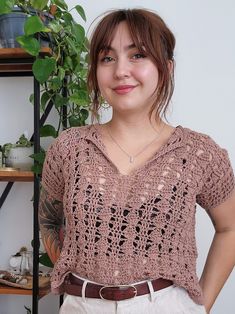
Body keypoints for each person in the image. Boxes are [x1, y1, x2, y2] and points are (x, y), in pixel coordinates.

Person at [39, 8, 235, 314]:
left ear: (166, 67)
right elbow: (49, 220)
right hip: (82, 305)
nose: (120, 71)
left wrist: (201, 306)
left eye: (137, 55)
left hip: (165, 305)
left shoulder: (198, 153)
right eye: (107, 58)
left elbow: (230, 227)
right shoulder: (69, 148)